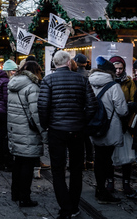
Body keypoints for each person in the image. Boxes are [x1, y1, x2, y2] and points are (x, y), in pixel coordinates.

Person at [38, 50, 98, 219]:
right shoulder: (81, 79)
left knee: (58, 169)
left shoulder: (48, 80)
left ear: (55, 63)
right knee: (76, 169)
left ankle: (65, 208)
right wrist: (82, 120)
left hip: (56, 130)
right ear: (69, 62)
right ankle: (73, 206)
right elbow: (93, 105)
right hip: (77, 130)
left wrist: (46, 125)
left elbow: (42, 107)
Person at [88, 56, 128, 204]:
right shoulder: (114, 87)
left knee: (98, 159)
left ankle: (99, 188)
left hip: (94, 128)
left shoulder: (88, 83)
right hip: (110, 129)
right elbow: (122, 111)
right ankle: (103, 192)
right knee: (106, 160)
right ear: (110, 72)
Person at [7, 61, 46, 207]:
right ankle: (25, 197)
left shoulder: (12, 83)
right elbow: (36, 114)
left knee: (18, 162)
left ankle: (15, 193)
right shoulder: (32, 87)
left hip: (15, 129)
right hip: (28, 131)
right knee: (28, 166)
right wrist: (44, 133)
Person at [108, 55, 136, 195]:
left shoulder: (129, 82)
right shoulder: (108, 81)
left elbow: (132, 99)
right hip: (110, 122)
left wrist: (126, 107)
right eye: (116, 68)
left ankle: (126, 183)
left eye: (120, 68)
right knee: (110, 154)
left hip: (125, 121)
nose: (118, 71)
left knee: (126, 156)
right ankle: (110, 181)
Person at [0, 63, 14, 172]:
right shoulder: (6, 81)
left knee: (0, 137)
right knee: (5, 137)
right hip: (4, 111)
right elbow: (7, 99)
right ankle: (7, 162)